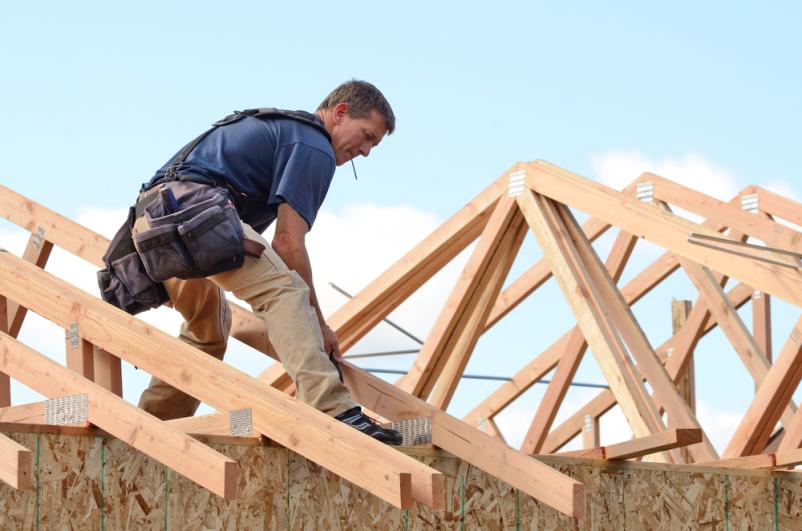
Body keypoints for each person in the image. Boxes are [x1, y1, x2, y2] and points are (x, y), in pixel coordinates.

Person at [130, 80, 402, 444]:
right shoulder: (313, 144)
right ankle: (333, 410)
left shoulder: (282, 131)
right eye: (367, 135)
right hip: (192, 214)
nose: (366, 151)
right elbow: (288, 244)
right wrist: (319, 323)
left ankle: (148, 432)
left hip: (155, 225)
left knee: (207, 332)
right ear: (339, 114)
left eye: (374, 145)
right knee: (286, 291)